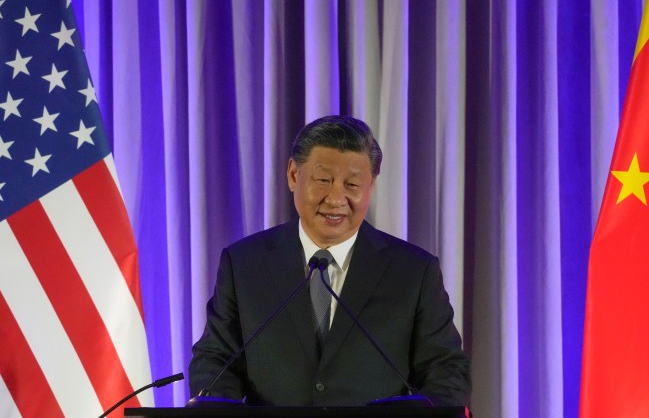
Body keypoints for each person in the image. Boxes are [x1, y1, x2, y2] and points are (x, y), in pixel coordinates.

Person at [187, 115, 470, 407]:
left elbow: (446, 370)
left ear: (370, 185)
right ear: (293, 175)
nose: (336, 198)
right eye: (323, 180)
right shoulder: (245, 263)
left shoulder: (413, 271)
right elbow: (217, 359)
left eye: (352, 184)